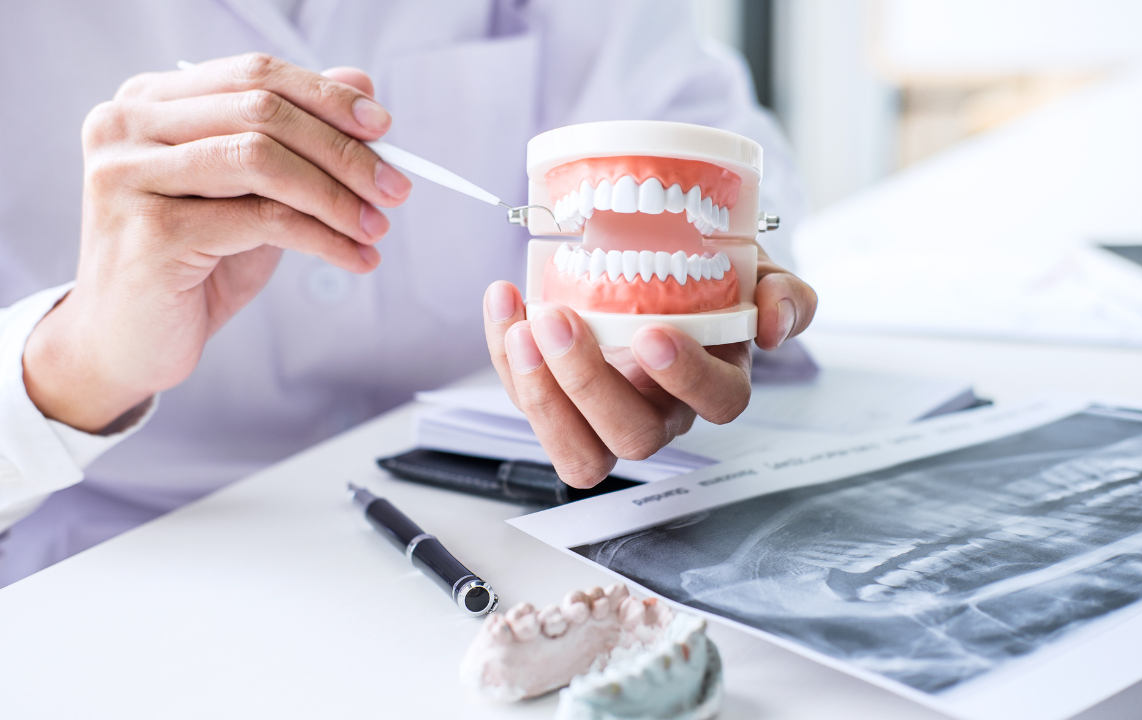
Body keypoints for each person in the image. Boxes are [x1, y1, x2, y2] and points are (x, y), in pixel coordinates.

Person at [0, 0, 815, 586]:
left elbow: (715, 148)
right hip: (110, 574)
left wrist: (715, 281)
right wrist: (75, 362)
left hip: (507, 535)